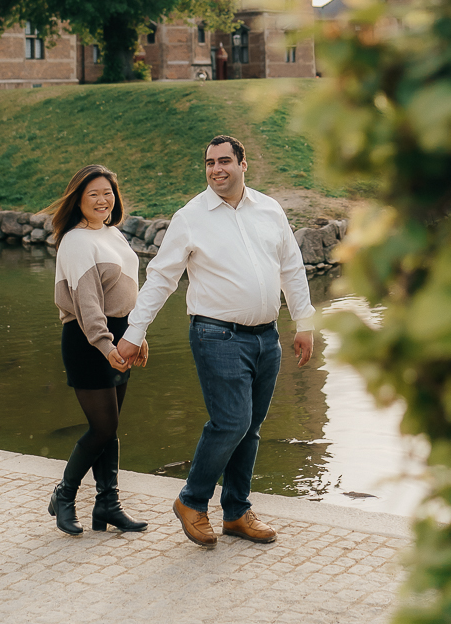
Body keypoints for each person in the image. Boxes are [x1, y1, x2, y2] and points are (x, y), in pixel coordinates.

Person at [117, 134, 314, 547]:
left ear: (244, 165)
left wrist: (304, 322)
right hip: (216, 334)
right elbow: (162, 278)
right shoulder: (191, 216)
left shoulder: (270, 210)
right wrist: (134, 333)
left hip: (267, 337)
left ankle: (237, 512)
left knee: (252, 427)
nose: (216, 169)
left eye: (224, 160)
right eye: (209, 162)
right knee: (232, 422)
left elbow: (291, 268)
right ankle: (192, 500)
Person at [48, 163, 148, 536]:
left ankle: (108, 505)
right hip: (89, 341)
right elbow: (88, 305)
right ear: (79, 199)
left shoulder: (112, 235)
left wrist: (138, 334)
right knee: (102, 427)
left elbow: (127, 292)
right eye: (94, 194)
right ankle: (64, 495)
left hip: (119, 336)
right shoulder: (76, 241)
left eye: (108, 193)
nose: (103, 200)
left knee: (112, 427)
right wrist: (108, 346)